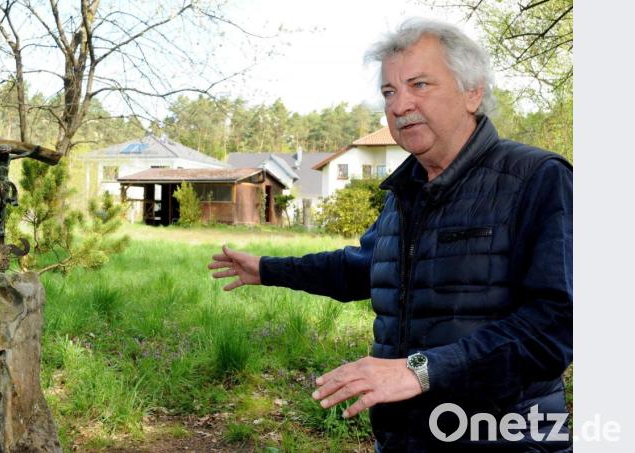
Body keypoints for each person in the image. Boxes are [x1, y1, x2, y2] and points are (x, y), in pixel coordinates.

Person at [208, 18, 572, 452]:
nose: (400, 106)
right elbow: (365, 269)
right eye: (389, 91)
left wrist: (420, 370)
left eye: (419, 85)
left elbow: (557, 326)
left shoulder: (538, 178)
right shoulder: (404, 193)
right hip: (406, 438)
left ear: (472, 92)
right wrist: (267, 269)